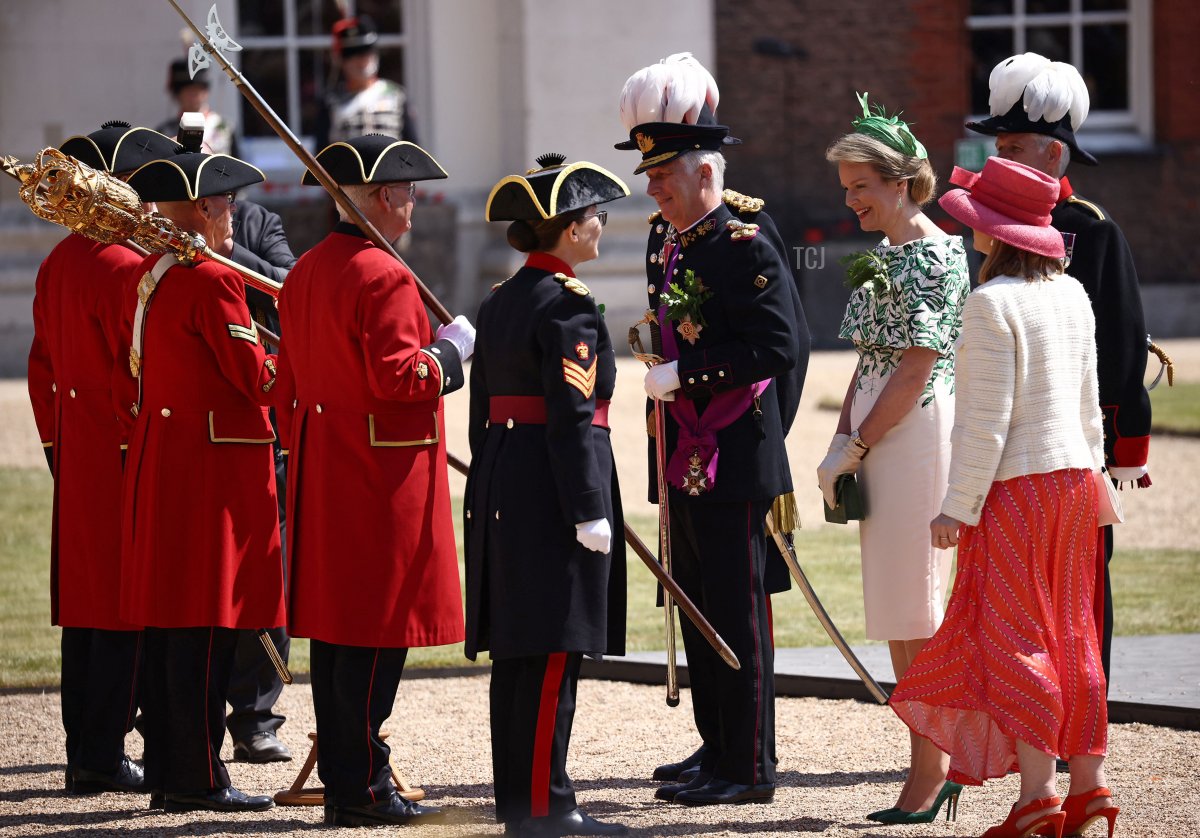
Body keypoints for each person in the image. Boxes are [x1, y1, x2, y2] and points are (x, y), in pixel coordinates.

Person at [889, 156, 1116, 838]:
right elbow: (1089, 407)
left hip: (1017, 490)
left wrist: (956, 507)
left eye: (978, 225)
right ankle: (1089, 787)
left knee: (1017, 638)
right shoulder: (1072, 293)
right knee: (1073, 633)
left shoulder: (989, 304)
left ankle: (1038, 794)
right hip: (1076, 483)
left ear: (996, 234)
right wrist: (1100, 479)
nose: (970, 235)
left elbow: (984, 424)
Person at [615, 54, 805, 807]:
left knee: (737, 609)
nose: (653, 186)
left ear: (706, 173)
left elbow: (780, 347)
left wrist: (685, 378)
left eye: (665, 173)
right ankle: (718, 743)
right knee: (696, 604)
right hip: (683, 449)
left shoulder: (742, 244)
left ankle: (750, 766)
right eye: (651, 174)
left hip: (733, 448)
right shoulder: (670, 242)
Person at [274, 134, 470, 827]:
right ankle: (358, 788)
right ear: (382, 200)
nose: (413, 206)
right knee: (376, 636)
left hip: (326, 469)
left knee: (337, 632)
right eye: (407, 193)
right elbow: (401, 377)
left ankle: (350, 777)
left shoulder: (303, 273)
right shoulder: (384, 275)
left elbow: (284, 390)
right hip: (379, 477)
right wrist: (450, 353)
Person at [965, 53, 1152, 687]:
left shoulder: (1091, 232)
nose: (998, 156)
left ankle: (1082, 719)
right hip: (1006, 441)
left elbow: (1122, 348)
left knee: (1079, 590)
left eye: (1012, 145)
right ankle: (1030, 716)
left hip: (1071, 439)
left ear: (1051, 156)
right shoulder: (989, 227)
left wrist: (1123, 448)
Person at [465, 154, 630, 838]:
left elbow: (481, 415)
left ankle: (522, 801)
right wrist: (589, 505)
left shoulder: (499, 300)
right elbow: (570, 414)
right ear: (565, 228)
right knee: (553, 650)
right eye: (593, 216)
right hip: (556, 488)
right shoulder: (569, 308)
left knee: (519, 652)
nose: (600, 226)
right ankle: (547, 807)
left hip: (507, 478)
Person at [118, 147, 284, 813]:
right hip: (213, 469)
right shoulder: (211, 279)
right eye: (225, 207)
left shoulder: (158, 273)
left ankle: (172, 768)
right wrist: (306, 356)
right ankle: (197, 777)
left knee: (174, 624)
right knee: (206, 627)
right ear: (205, 210)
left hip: (172, 460)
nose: (233, 218)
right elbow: (254, 376)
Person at [820, 94, 971, 823]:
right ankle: (927, 759)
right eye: (846, 189)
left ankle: (932, 768)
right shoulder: (883, 254)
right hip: (879, 429)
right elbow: (869, 364)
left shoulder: (940, 254)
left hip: (915, 430)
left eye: (861, 188)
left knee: (919, 605)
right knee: (894, 608)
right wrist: (837, 441)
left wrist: (859, 441)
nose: (851, 202)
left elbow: (914, 371)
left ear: (904, 185)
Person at [28, 121, 178, 796]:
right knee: (123, 610)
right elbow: (148, 369)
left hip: (81, 449)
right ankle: (103, 753)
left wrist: (60, 442)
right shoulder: (125, 267)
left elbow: (42, 370)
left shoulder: (59, 259)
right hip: (126, 448)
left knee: (88, 610)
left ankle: (85, 749)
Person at [314, 14, 415, 149]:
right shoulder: (330, 101)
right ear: (342, 60)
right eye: (353, 56)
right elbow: (321, 153)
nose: (362, 61)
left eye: (366, 53)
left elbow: (413, 148)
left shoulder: (397, 96)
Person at [156, 59, 237, 157]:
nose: (194, 95)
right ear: (178, 94)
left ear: (206, 91)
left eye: (198, 89)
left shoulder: (225, 129)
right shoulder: (164, 132)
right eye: (188, 90)